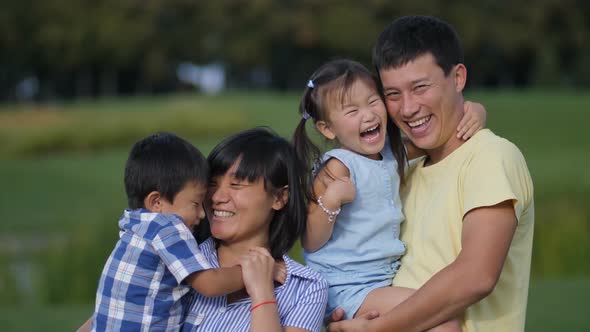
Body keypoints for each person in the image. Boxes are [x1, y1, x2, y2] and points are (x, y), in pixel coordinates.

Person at [327, 15, 534, 332]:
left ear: (459, 77)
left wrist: (378, 329)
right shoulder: (399, 171)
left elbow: (475, 276)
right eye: (393, 94)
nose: (407, 108)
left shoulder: (490, 157)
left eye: (420, 87)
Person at [291, 58, 485, 329]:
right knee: (443, 322)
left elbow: (440, 136)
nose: (368, 115)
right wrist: (331, 200)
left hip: (381, 280)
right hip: (348, 286)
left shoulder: (391, 153)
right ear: (327, 128)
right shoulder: (337, 167)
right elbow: (310, 240)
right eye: (352, 111)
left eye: (373, 102)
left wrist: (475, 111)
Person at [85, 132, 278, 331]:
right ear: (156, 202)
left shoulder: (134, 226)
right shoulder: (168, 228)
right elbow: (209, 284)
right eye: (195, 204)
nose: (202, 214)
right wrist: (256, 272)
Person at [180, 127, 329, 331]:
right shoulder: (179, 256)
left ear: (278, 198)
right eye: (212, 184)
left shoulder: (307, 288)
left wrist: (262, 291)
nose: (216, 197)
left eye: (236, 185)